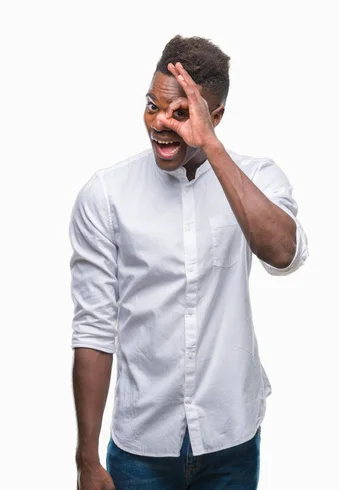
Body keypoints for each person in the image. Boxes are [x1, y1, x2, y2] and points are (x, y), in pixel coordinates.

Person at [71, 35, 309, 490]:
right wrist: (86, 458)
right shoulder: (106, 194)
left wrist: (211, 148)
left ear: (213, 116)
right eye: (152, 105)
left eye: (180, 113)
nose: (160, 122)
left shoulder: (257, 177)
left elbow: (284, 255)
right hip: (142, 443)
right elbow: (94, 328)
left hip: (230, 438)